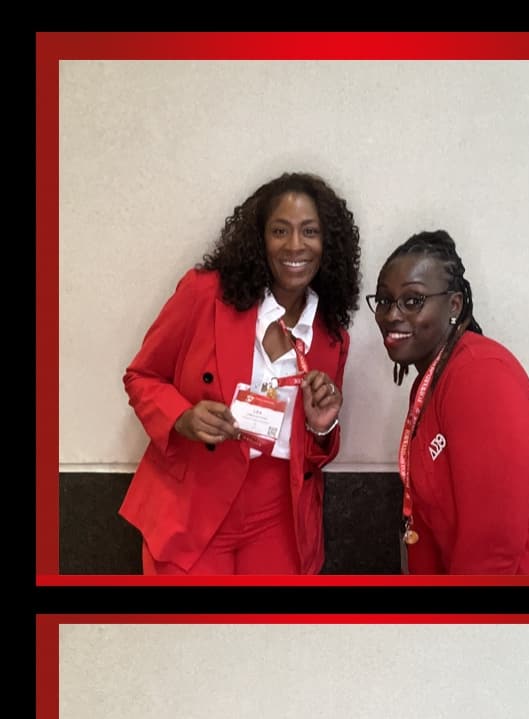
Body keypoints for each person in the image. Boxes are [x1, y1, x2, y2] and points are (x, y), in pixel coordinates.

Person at [119, 172, 360, 575]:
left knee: (266, 636)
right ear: (259, 239)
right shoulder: (205, 294)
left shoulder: (330, 336)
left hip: (278, 513)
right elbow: (141, 376)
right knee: (190, 636)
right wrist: (182, 416)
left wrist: (321, 427)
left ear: (327, 243)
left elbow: (315, 454)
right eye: (280, 230)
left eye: (310, 231)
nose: (295, 245)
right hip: (193, 502)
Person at [368, 230, 529, 575]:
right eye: (385, 300)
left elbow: (493, 546)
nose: (392, 314)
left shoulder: (480, 375)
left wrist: (459, 628)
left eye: (413, 300)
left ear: (454, 305)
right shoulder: (431, 382)